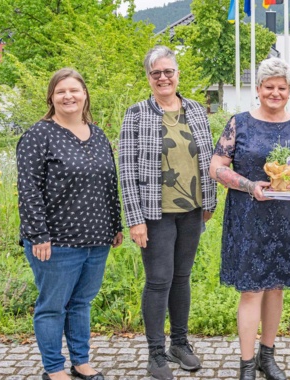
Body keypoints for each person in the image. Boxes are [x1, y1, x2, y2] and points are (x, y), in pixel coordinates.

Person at [209, 57, 290, 380]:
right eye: (269, 87)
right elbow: (217, 167)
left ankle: (267, 357)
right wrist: (248, 184)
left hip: (287, 216)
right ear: (258, 89)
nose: (275, 93)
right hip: (249, 216)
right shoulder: (239, 123)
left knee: (276, 289)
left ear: (289, 91)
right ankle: (246, 363)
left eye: (281, 88)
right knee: (252, 291)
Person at [17, 68, 123, 380]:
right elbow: (28, 188)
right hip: (55, 241)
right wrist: (38, 234)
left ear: (85, 94)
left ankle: (81, 363)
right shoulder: (38, 135)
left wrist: (114, 225)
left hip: (97, 238)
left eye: (74, 90)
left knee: (80, 304)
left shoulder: (98, 133)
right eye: (61, 91)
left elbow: (109, 182)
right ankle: (53, 369)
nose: (68, 96)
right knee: (52, 307)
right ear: (51, 96)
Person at [119, 45, 217, 380]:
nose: (163, 77)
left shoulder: (194, 109)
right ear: (148, 77)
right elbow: (127, 170)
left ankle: (179, 344)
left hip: (191, 210)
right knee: (159, 280)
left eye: (168, 71)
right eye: (156, 72)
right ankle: (156, 354)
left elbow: (207, 158)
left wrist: (209, 201)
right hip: (154, 214)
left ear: (177, 74)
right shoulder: (136, 114)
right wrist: (135, 218)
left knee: (181, 278)